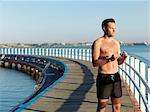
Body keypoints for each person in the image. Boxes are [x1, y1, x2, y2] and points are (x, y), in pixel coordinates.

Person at [92, 18, 128, 112]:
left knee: (117, 108)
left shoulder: (116, 43)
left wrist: (123, 58)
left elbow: (118, 62)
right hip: (104, 77)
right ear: (104, 28)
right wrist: (110, 59)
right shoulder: (98, 42)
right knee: (102, 107)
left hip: (115, 77)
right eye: (111, 28)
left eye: (115, 28)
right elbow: (95, 63)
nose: (114, 30)